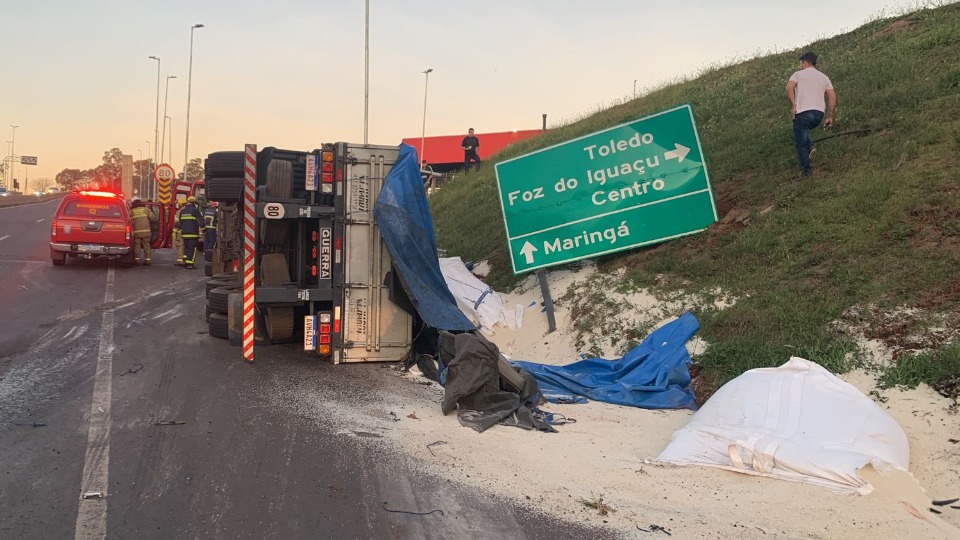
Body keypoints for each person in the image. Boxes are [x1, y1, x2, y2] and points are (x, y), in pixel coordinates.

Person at [786, 51, 836, 177]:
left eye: (801, 64)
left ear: (805, 63)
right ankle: (810, 146)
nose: (800, 66)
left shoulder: (798, 74)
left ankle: (806, 171)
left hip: (803, 113)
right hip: (818, 114)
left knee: (800, 142)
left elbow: (789, 88)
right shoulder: (824, 77)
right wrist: (829, 116)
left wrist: (793, 105)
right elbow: (832, 97)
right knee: (804, 132)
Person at [175, 195, 204, 269]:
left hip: (184, 233)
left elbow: (179, 223)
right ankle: (190, 264)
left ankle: (185, 261)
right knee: (192, 248)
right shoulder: (195, 210)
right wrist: (204, 230)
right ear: (194, 202)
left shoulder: (183, 211)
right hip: (193, 233)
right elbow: (201, 221)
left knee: (186, 248)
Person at [129, 198, 153, 265]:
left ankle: (137, 261)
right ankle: (148, 261)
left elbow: (130, 221)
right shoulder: (146, 210)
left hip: (136, 233)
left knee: (137, 246)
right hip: (146, 232)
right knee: (147, 246)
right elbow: (153, 218)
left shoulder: (132, 211)